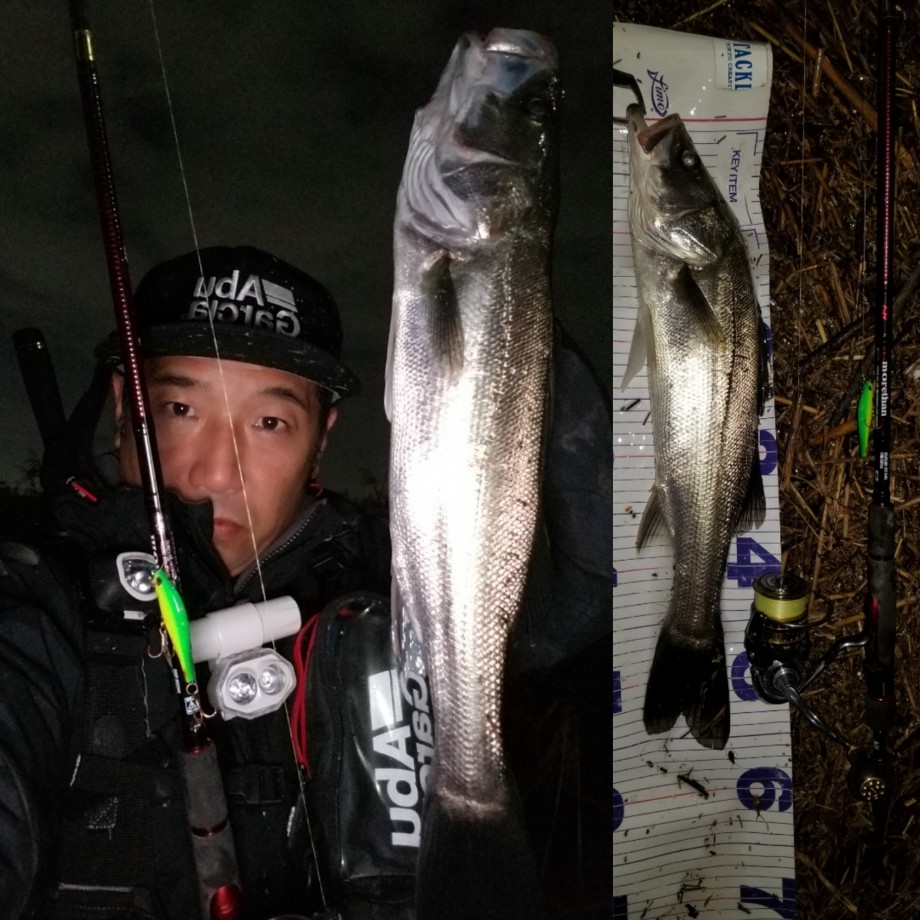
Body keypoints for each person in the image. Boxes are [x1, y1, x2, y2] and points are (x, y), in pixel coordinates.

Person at [0, 245, 611, 920]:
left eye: (269, 423)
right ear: (123, 405)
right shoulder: (35, 606)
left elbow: (574, 602)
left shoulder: (408, 575)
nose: (215, 473)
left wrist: (516, 312)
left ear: (321, 439)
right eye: (179, 408)